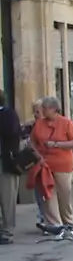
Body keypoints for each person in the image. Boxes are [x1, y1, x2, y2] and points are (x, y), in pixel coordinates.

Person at [31, 96, 73, 235]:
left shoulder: (66, 123)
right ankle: (54, 225)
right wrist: (37, 155)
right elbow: (32, 142)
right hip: (44, 165)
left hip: (63, 165)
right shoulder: (39, 124)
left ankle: (68, 223)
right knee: (48, 195)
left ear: (53, 109)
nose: (42, 111)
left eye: (45, 108)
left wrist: (56, 144)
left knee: (64, 195)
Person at [0, 91, 20, 245]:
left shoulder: (9, 115)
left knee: (7, 198)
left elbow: (10, 133)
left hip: (5, 162)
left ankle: (7, 232)